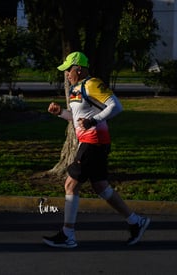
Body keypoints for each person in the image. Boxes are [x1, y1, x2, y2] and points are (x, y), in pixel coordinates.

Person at [43, 51, 150, 248]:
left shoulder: (92, 84)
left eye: (68, 70)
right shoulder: (77, 88)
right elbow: (78, 120)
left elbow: (116, 106)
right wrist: (60, 113)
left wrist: (94, 120)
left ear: (78, 69)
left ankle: (68, 235)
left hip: (94, 141)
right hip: (93, 141)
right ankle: (136, 221)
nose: (66, 74)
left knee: (70, 185)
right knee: (100, 186)